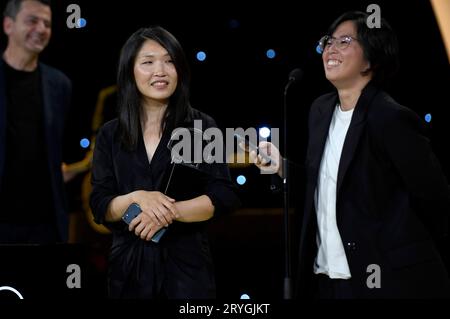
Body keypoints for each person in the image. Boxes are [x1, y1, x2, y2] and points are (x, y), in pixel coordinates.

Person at [250, 11, 450, 298]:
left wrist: (399, 246)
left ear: (371, 59)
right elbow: (324, 187)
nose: (331, 49)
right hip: (327, 279)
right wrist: (281, 166)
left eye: (344, 41)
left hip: (384, 279)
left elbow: (435, 197)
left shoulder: (390, 118)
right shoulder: (320, 110)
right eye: (328, 41)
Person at [90, 26, 240, 298]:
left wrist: (168, 212)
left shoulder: (201, 127)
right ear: (130, 71)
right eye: (148, 62)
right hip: (128, 273)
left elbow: (224, 195)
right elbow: (100, 204)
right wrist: (137, 198)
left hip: (187, 273)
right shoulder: (110, 134)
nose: (161, 70)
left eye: (169, 60)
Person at [0, 0, 72, 243]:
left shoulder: (60, 84)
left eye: (47, 24)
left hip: (45, 224)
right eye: (32, 20)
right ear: (8, 25)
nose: (41, 29)